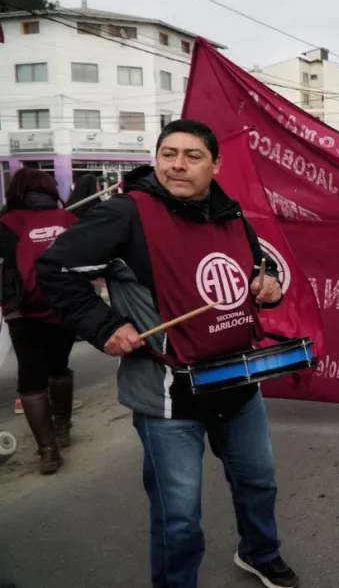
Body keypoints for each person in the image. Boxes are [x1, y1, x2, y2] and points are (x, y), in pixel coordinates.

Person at [36, 119, 299, 588]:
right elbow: (54, 268)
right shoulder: (126, 213)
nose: (178, 165)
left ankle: (259, 553)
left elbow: (256, 270)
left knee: (259, 482)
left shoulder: (230, 215)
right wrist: (105, 326)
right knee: (178, 517)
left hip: (236, 382)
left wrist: (268, 286)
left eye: (192, 156)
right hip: (168, 396)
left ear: (216, 165)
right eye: (168, 154)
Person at [0, 168, 78, 474]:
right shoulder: (68, 219)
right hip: (66, 305)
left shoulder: (6, 223)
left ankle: (48, 452)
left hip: (22, 311)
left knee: (31, 375)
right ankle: (63, 427)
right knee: (59, 365)